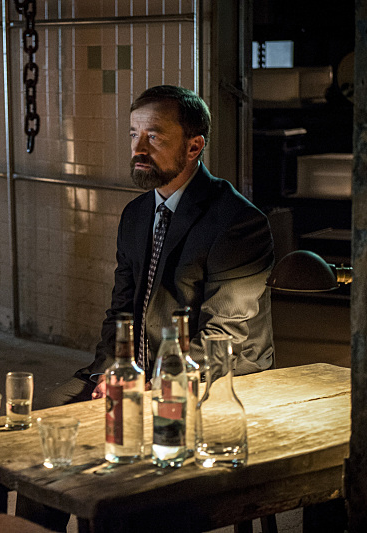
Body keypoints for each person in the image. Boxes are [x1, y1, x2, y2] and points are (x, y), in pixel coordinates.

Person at [42, 85, 275, 406]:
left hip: (214, 374)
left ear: (193, 147)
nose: (138, 148)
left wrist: (155, 382)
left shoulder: (239, 222)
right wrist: (112, 371)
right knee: (47, 412)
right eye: (133, 134)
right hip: (141, 368)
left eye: (153, 137)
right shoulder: (135, 214)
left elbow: (223, 335)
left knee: (128, 425)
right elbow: (121, 312)